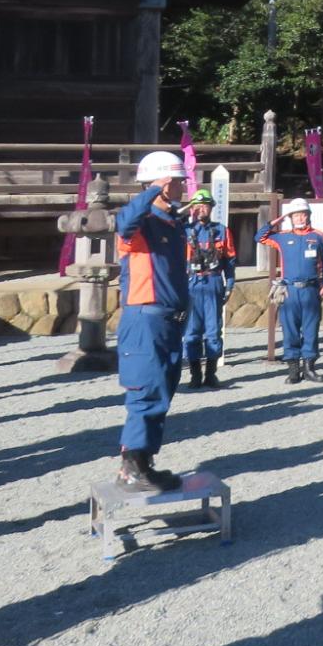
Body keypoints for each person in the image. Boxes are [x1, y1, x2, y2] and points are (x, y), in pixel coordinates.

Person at [113, 150, 190, 493]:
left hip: (169, 321)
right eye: (179, 182)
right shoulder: (140, 224)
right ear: (165, 183)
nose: (184, 188)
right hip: (145, 319)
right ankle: (130, 469)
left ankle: (145, 463)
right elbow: (124, 220)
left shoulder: (172, 224)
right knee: (144, 391)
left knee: (161, 391)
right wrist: (152, 190)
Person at [261, 198, 323, 384]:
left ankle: (309, 369)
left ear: (308, 216)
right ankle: (293, 371)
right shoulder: (282, 237)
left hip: (311, 290)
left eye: (302, 214)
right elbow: (259, 236)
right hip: (289, 291)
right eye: (295, 215)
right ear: (290, 218)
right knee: (290, 330)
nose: (299, 218)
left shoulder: (319, 236)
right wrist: (278, 219)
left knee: (310, 331)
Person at [180, 188, 234, 390]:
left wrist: (230, 284)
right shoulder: (184, 231)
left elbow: (230, 261)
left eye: (205, 205)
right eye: (197, 206)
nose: (201, 209)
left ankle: (211, 374)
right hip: (192, 283)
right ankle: (195, 375)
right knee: (192, 332)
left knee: (213, 331)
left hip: (213, 282)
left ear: (211, 207)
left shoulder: (222, 230)